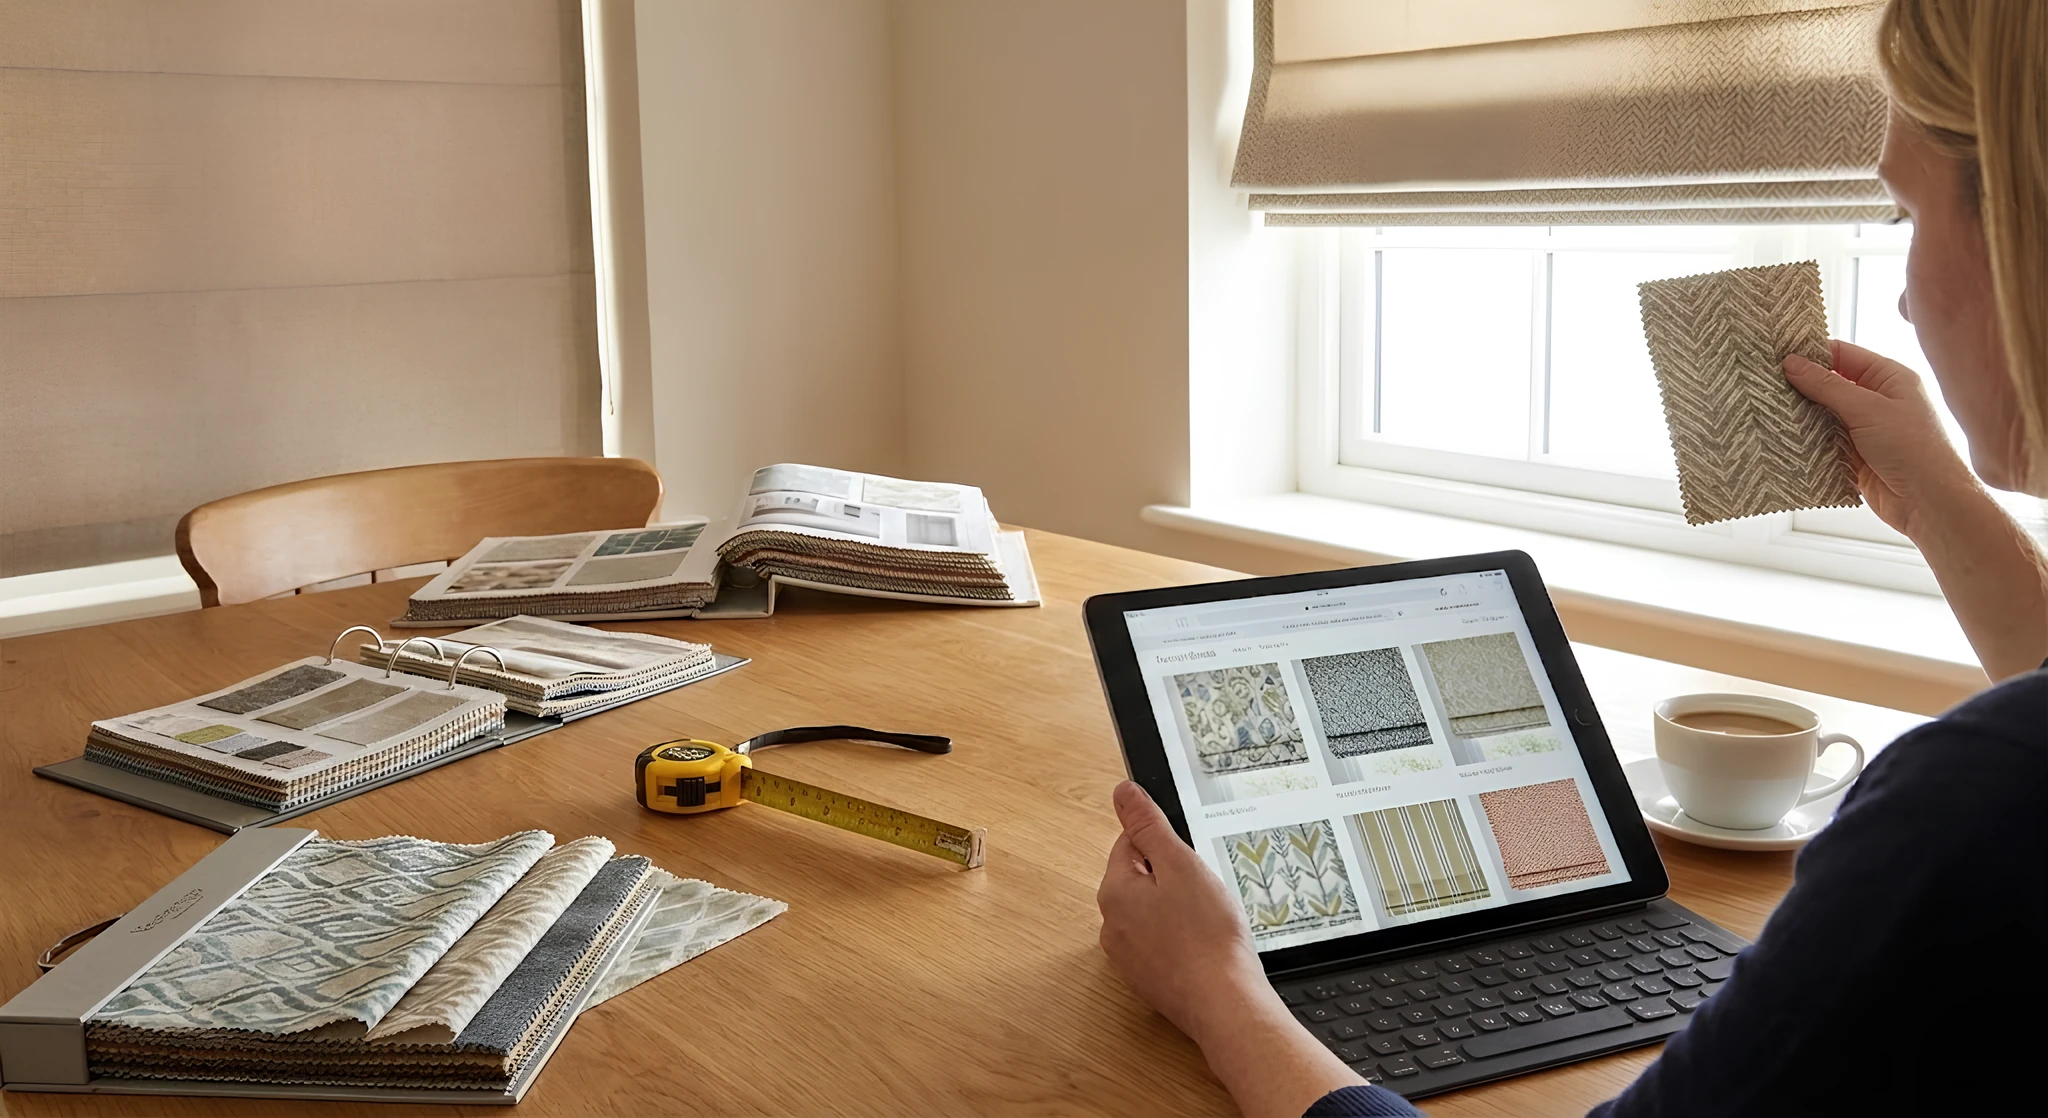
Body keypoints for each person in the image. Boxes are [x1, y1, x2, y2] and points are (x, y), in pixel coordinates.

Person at [1095, 2, 2048, 1114]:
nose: (1895, 288)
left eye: (1899, 215)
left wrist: (1222, 993)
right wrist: (1937, 499)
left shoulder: (1970, 801)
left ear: (2018, 237)